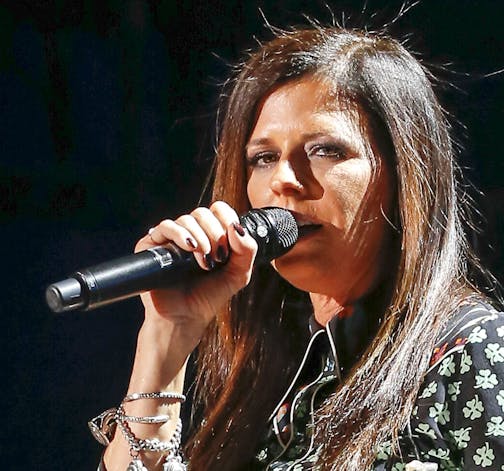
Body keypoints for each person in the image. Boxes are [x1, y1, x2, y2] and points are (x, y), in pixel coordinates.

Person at [91, 24, 504, 471]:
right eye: (263, 158)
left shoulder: (477, 351)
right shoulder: (271, 373)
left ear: (403, 177)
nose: (283, 180)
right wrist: (165, 337)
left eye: (326, 150)